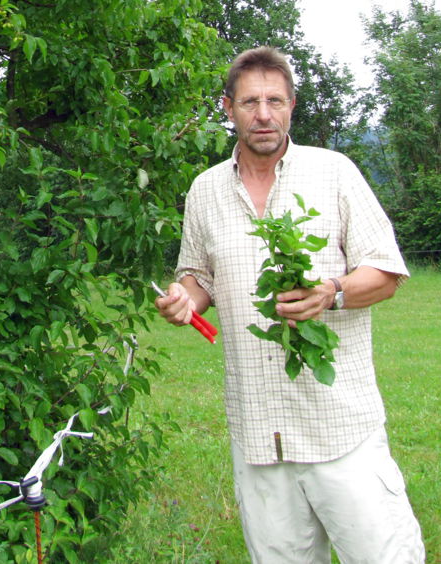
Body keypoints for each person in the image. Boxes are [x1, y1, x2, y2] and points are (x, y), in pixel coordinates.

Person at [154, 46, 425, 563]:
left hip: (340, 428)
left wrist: (332, 292)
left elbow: (386, 272)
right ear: (228, 107)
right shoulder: (204, 190)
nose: (263, 114)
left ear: (292, 106)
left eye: (275, 101)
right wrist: (184, 299)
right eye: (250, 102)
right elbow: (199, 277)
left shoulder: (334, 172)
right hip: (259, 433)